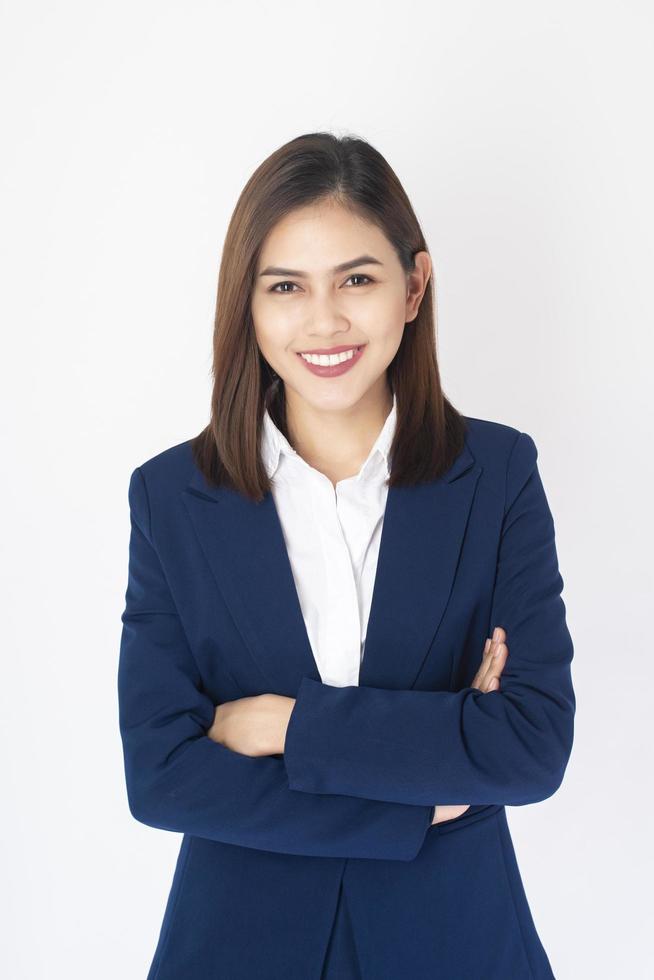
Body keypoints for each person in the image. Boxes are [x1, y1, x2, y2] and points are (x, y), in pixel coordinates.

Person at [117, 132, 575, 979]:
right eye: (286, 286)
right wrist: (425, 789)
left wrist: (282, 724)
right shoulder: (172, 498)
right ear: (247, 307)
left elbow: (528, 746)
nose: (323, 321)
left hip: (457, 946)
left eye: (356, 279)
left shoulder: (499, 475)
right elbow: (163, 775)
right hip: (236, 948)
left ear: (413, 286)